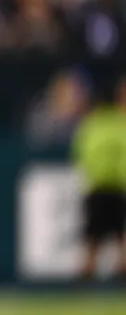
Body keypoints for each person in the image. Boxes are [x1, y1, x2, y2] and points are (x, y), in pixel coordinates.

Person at [72, 76, 126, 280]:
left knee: (93, 237)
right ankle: (119, 271)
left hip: (97, 188)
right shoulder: (121, 123)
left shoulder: (91, 123)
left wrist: (93, 175)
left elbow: (81, 153)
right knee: (119, 235)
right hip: (118, 187)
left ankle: (87, 273)